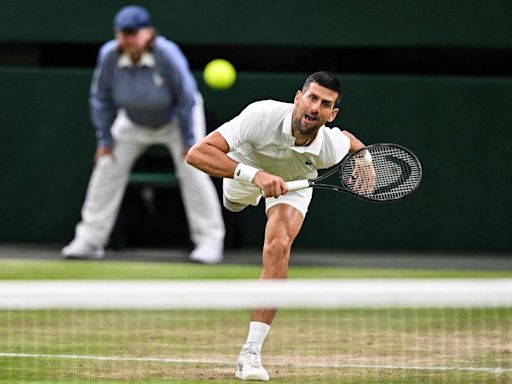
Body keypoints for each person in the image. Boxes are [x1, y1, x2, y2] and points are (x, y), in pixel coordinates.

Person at [186, 71, 374, 381]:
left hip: (294, 186)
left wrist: (365, 160)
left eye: (325, 104)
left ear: (332, 114)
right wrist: (255, 177)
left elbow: (350, 141)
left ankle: (250, 352)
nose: (315, 108)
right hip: (244, 174)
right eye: (311, 98)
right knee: (233, 204)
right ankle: (249, 183)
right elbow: (197, 153)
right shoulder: (262, 115)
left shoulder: (329, 146)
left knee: (278, 247)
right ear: (298, 98)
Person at [62, 5, 225, 264]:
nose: (128, 38)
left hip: (176, 119)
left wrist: (187, 141)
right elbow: (100, 99)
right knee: (106, 166)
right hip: (132, 121)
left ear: (148, 33)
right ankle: (90, 240)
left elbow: (186, 98)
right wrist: (105, 140)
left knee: (194, 170)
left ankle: (209, 241)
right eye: (123, 33)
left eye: (133, 32)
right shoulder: (109, 56)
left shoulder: (167, 54)